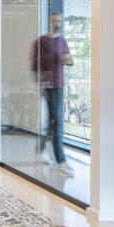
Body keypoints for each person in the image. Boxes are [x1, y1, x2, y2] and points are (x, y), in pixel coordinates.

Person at [32, 13, 75, 176]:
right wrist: (40, 86)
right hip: (47, 85)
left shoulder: (62, 41)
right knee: (57, 122)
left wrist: (68, 60)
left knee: (53, 121)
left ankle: (40, 151)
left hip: (59, 85)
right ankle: (61, 161)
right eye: (55, 20)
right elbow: (36, 64)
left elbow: (70, 61)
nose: (58, 23)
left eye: (60, 21)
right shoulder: (42, 41)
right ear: (51, 22)